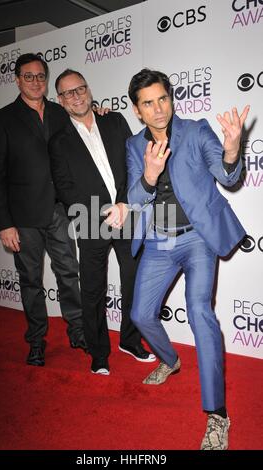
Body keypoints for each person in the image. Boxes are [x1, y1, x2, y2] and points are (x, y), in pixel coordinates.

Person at [126, 68, 249, 450]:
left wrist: (231, 149)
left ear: (171, 98)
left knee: (199, 312)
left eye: (162, 98)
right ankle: (170, 359)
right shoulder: (134, 146)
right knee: (139, 315)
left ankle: (217, 415)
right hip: (159, 242)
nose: (158, 108)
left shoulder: (195, 131)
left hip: (198, 239)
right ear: (137, 110)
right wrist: (149, 176)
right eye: (148, 103)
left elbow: (228, 175)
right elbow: (133, 198)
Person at [49, 69, 156, 375]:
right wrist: (100, 213)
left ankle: (130, 340)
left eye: (80, 89)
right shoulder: (59, 141)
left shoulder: (114, 120)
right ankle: (98, 352)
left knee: (134, 279)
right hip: (90, 218)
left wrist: (124, 204)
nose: (77, 96)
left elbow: (132, 165)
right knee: (93, 289)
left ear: (89, 90)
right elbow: (64, 187)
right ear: (61, 100)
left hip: (126, 212)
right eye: (68, 93)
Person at [0, 53, 87, 367]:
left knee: (69, 274)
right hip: (23, 218)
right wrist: (5, 223)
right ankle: (36, 341)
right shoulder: (1, 118)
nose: (35, 81)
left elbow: (87, 124)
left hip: (59, 211)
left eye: (40, 76)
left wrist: (102, 112)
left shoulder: (60, 112)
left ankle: (79, 331)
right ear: (17, 79)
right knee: (30, 281)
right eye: (28, 76)